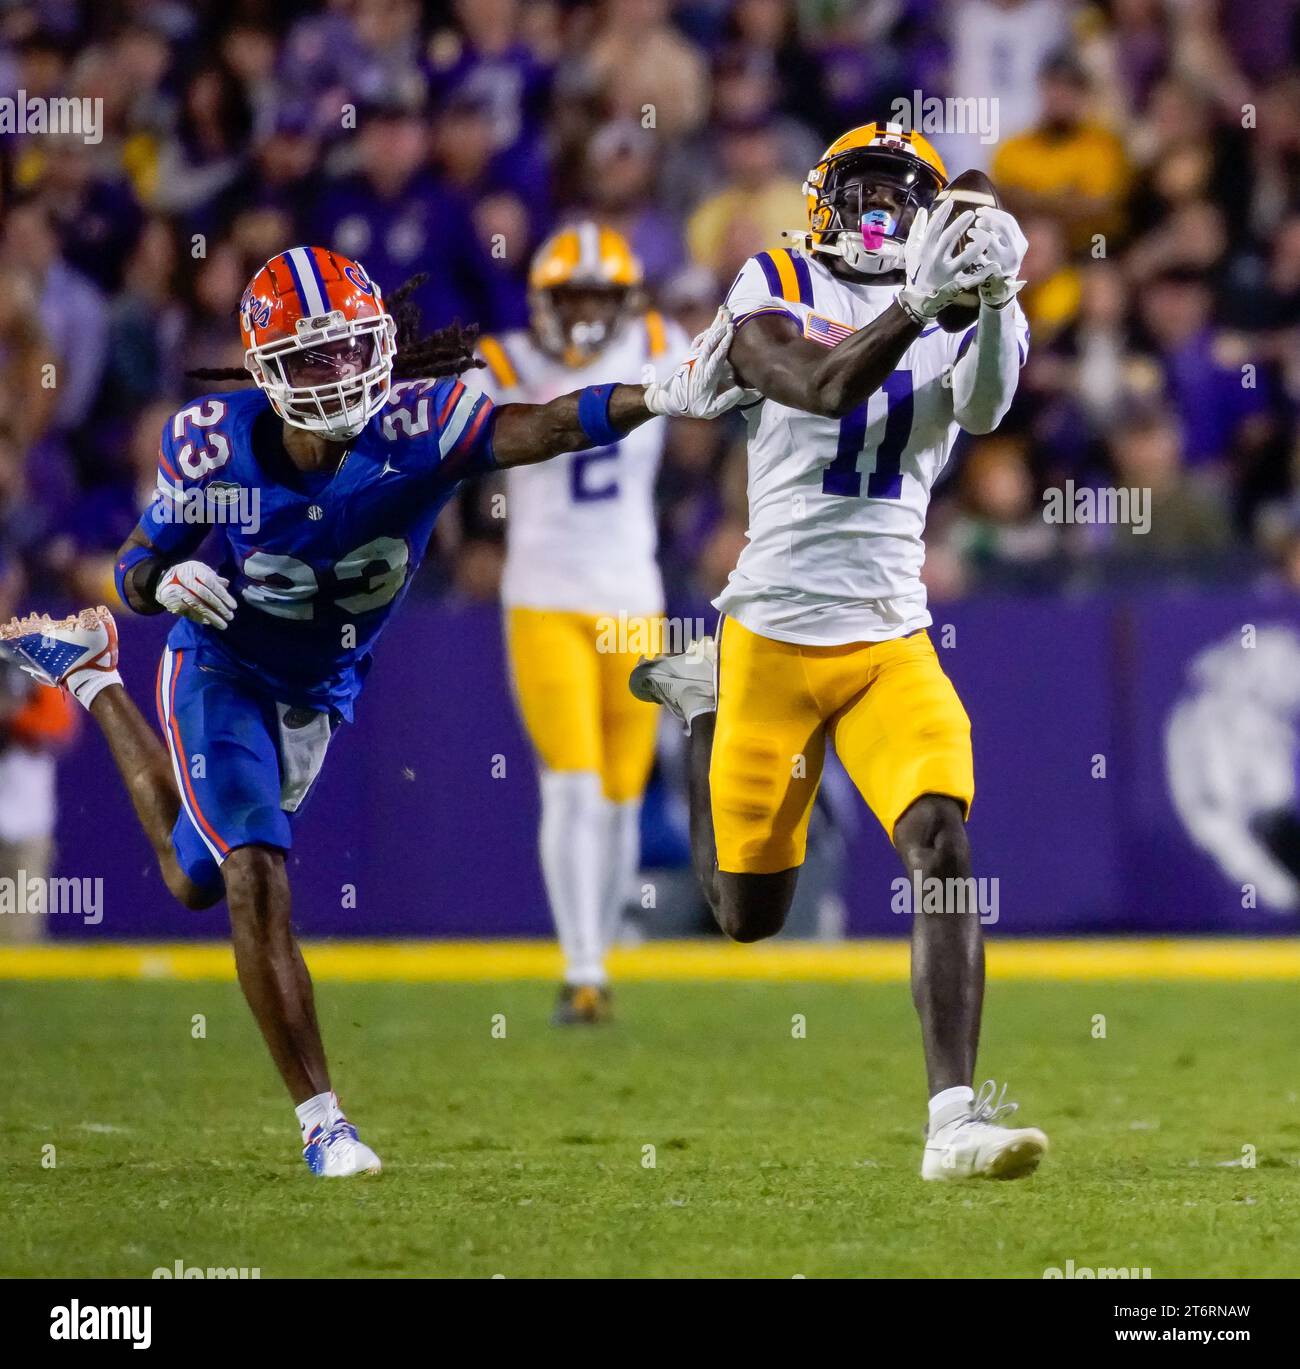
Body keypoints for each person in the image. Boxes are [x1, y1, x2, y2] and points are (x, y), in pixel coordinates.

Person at [0, 244, 738, 1177]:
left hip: (322, 691)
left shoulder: (421, 425)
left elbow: (544, 425)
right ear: (267, 368)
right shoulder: (215, 443)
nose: (341, 373)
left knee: (197, 876)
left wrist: (654, 397)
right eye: (314, 357)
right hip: (221, 667)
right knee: (255, 870)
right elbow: (134, 566)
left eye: (354, 348)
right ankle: (324, 1121)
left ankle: (94, 677)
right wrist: (165, 578)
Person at [630, 123, 1050, 1180]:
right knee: (747, 917)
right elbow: (819, 387)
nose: (875, 215)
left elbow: (990, 410)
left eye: (896, 197)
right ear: (820, 199)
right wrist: (918, 303)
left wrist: (997, 294)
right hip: (766, 637)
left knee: (941, 841)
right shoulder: (768, 279)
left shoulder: (954, 304)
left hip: (885, 638)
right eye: (860, 192)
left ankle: (951, 1120)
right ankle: (700, 704)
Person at [469, 223, 688, 1023]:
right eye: (575, 297)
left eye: (602, 296)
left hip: (632, 599)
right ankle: (583, 965)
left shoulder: (664, 344)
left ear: (627, 301)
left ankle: (600, 950)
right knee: (571, 785)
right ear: (543, 301)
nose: (589, 314)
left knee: (624, 795)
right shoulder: (503, 365)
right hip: (546, 596)